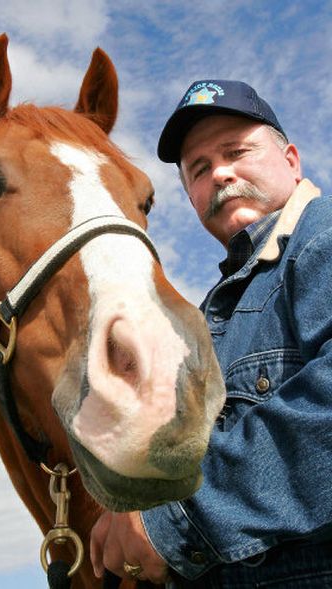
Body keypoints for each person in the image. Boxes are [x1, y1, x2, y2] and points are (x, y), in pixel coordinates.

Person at [90, 80, 332, 588]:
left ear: (291, 160)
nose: (219, 172)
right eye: (199, 170)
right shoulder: (213, 312)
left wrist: (177, 520)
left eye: (236, 152)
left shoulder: (323, 240)